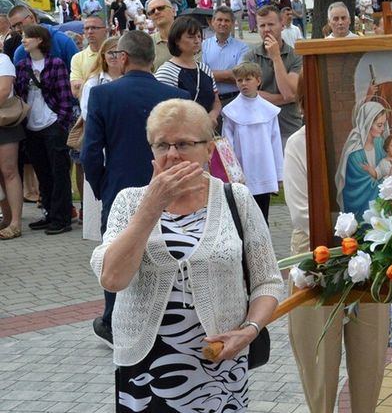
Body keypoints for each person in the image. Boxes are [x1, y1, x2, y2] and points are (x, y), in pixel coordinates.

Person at [90, 98, 283, 412]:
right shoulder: (130, 202)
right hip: (145, 368)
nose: (172, 154)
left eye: (183, 143)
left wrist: (249, 331)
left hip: (221, 361)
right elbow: (112, 279)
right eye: (161, 145)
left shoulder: (236, 198)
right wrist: (151, 207)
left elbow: (269, 282)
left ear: (209, 149)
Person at [282, 75, 392, 413]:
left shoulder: (371, 141)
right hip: (316, 257)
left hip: (371, 256)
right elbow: (303, 214)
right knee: (318, 357)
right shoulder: (300, 143)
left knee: (370, 353)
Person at [82, 31, 189, 347]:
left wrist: (101, 184)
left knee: (117, 254)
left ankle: (114, 321)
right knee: (170, 248)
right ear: (153, 60)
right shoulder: (176, 95)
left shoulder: (103, 96)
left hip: (120, 188)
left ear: (123, 58)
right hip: (172, 187)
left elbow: (90, 152)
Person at [14, 25, 75, 235]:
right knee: (43, 172)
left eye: (27, 37)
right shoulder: (22, 66)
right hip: (31, 125)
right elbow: (20, 95)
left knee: (59, 172)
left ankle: (62, 217)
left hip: (52, 123)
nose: (24, 40)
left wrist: (61, 121)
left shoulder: (55, 64)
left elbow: (66, 96)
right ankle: (49, 213)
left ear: (40, 40)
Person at [221, 62, 283, 221]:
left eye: (248, 79)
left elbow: (275, 143)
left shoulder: (269, 110)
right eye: (239, 80)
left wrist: (278, 174)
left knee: (263, 216)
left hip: (264, 168)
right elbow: (227, 146)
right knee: (244, 217)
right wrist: (231, 175)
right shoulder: (231, 111)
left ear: (258, 81)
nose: (243, 84)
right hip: (243, 170)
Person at [239, 5, 303, 145]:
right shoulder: (250, 57)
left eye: (271, 24)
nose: (266, 29)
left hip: (288, 128)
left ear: (282, 25)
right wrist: (285, 99)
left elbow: (289, 93)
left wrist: (276, 57)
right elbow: (247, 93)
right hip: (258, 127)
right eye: (262, 25)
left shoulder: (296, 56)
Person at [78, 36, 121, 242]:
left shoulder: (128, 78)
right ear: (103, 55)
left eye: (118, 52)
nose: (114, 56)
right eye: (110, 52)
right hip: (102, 141)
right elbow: (88, 114)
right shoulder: (93, 82)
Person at [154, 16, 222, 126]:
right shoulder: (166, 72)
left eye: (199, 36)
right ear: (176, 40)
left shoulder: (205, 69)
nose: (197, 41)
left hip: (206, 132)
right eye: (190, 37)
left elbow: (216, 101)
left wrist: (212, 115)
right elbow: (163, 111)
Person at [334, 102, 388, 216]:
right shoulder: (354, 153)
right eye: (379, 125)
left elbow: (386, 167)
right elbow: (360, 184)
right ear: (368, 124)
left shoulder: (380, 143)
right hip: (359, 204)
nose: (383, 129)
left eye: (384, 125)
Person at [202, 6, 250, 112]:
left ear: (232, 24)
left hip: (235, 100)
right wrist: (230, 75)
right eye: (219, 20)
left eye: (227, 20)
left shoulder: (242, 47)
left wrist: (210, 74)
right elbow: (200, 76)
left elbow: (241, 76)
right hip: (211, 101)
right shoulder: (203, 46)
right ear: (213, 22)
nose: (223, 23)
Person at [0, 52, 25, 240]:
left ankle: (15, 222)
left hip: (4, 121)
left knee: (9, 171)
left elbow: (3, 89)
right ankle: (6, 218)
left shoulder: (3, 60)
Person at [8, 5, 79, 70]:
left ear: (32, 18)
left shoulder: (63, 41)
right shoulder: (20, 53)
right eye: (13, 27)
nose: (17, 29)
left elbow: (78, 73)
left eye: (19, 24)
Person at [69, 16, 108, 98]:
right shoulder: (77, 58)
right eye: (86, 28)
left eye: (94, 28)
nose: (90, 31)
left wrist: (85, 84)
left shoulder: (116, 54)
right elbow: (75, 92)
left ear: (105, 30)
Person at [147, 0, 178, 69]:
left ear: (173, 11)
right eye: (152, 11)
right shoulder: (147, 43)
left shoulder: (190, 37)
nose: (156, 12)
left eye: (161, 8)